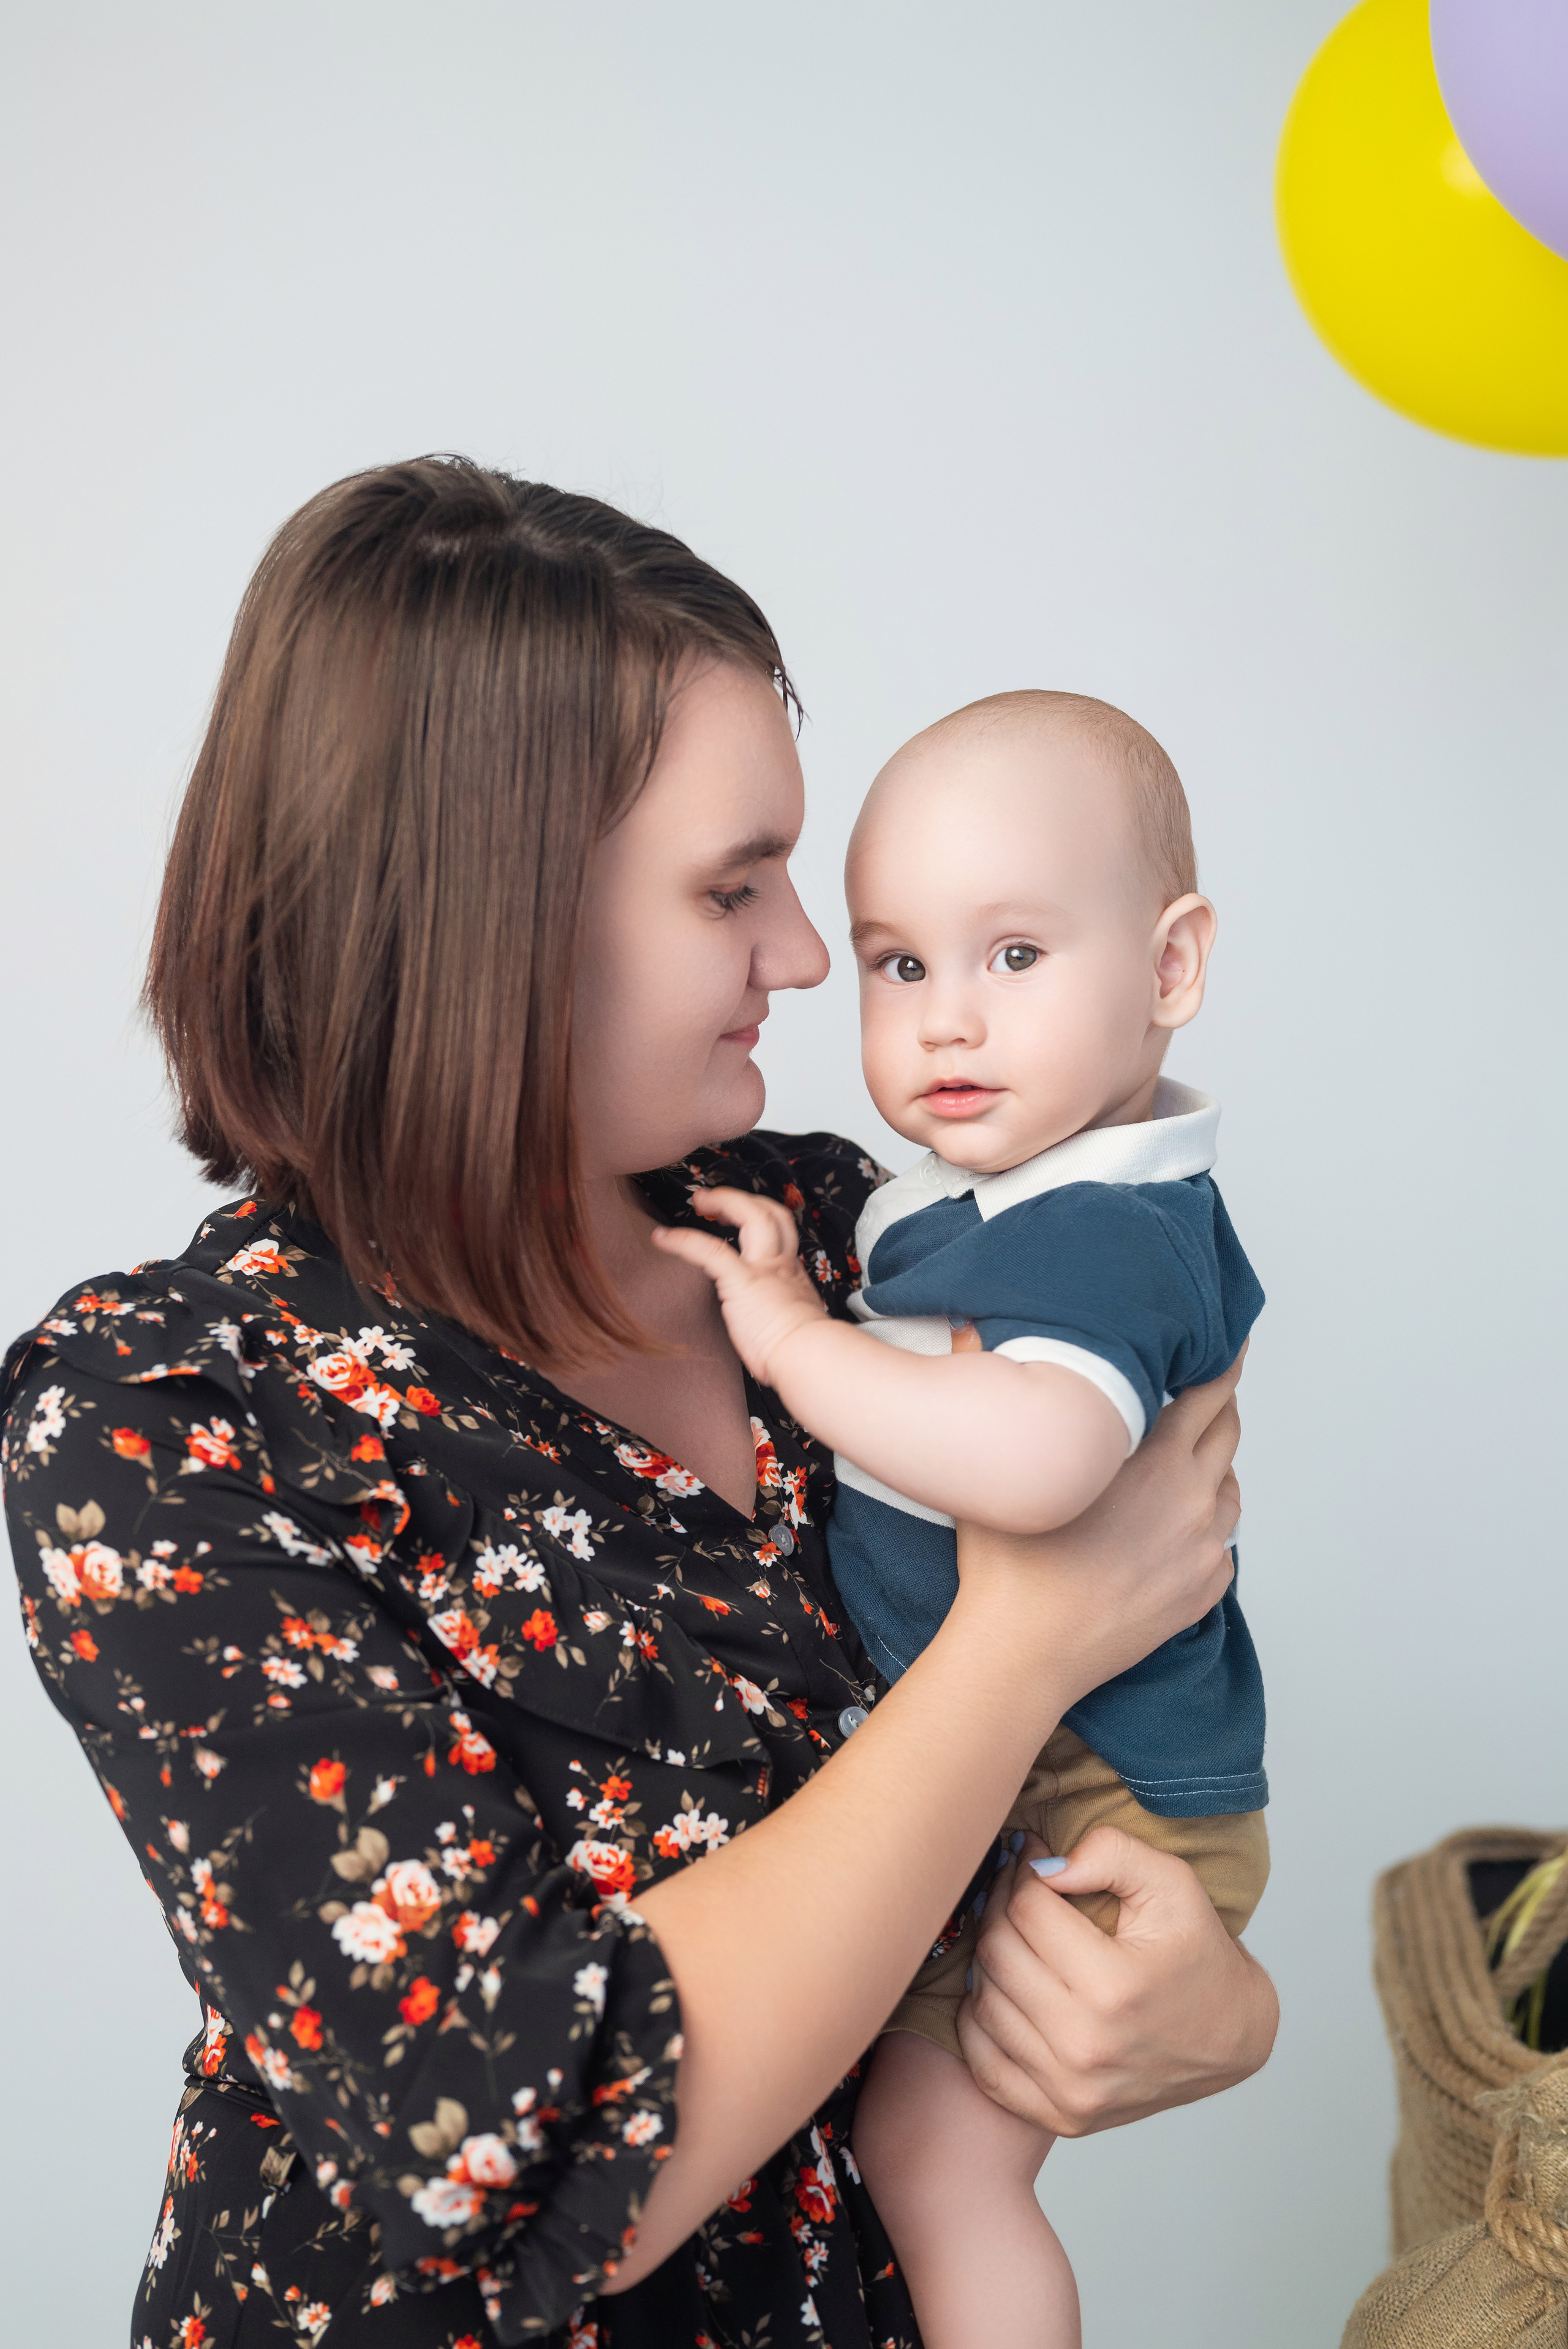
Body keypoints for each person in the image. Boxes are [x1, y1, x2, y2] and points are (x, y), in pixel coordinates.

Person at [0, 458, 1275, 2349]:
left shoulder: (839, 1237)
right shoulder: (166, 1417)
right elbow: (517, 2155)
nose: (806, 956)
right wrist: (1014, 1649)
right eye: (731, 886)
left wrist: (1215, 1999)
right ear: (489, 917)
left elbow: (1160, 1666)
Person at [658, 691, 1268, 2346]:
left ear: (1169, 968)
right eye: (900, 963)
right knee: (927, 2157)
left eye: (1012, 955)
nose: (944, 1022)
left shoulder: (1098, 1225)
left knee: (938, 2164)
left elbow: (1041, 1466)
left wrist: (793, 1341)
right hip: (1046, 1766)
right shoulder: (969, 1201)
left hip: (1097, 1792)